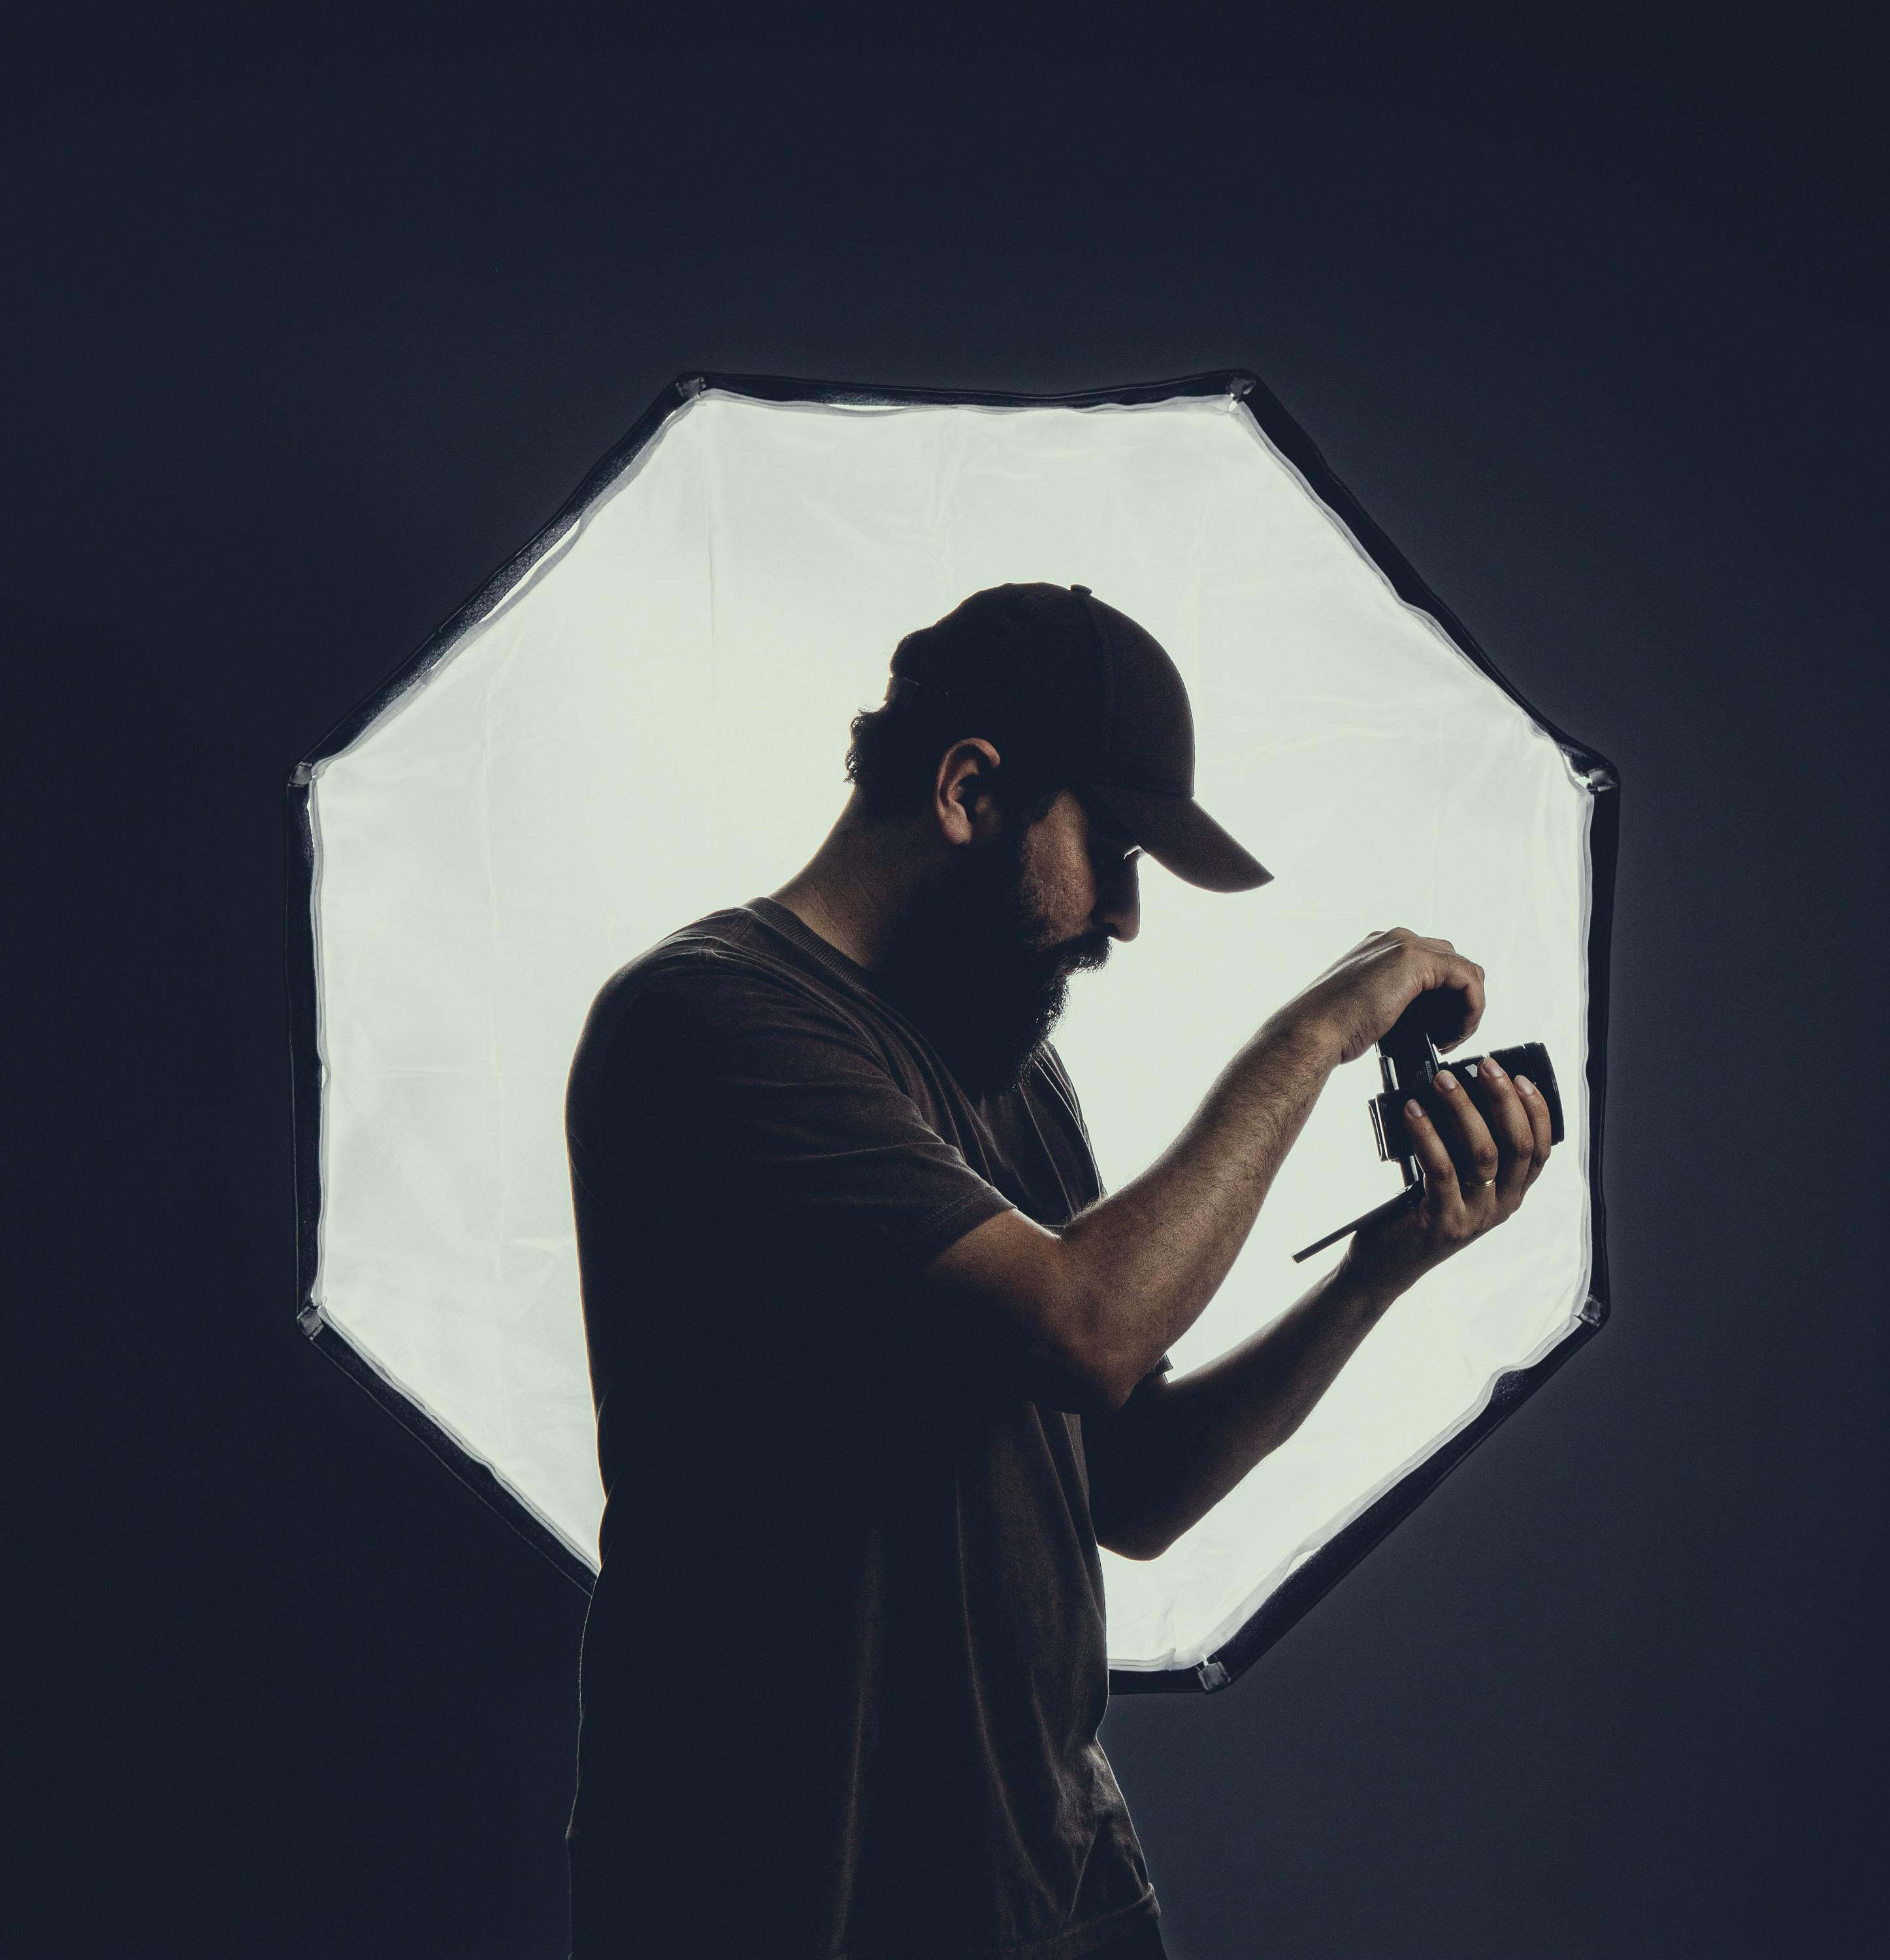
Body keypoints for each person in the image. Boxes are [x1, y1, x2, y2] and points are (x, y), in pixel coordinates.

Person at [562, 583, 1554, 1959]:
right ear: (970, 788)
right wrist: (1316, 1029)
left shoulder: (1018, 1086)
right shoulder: (709, 1022)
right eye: (1118, 851)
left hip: (1044, 1892)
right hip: (784, 1896)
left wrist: (1379, 1273)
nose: (1128, 919)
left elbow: (1129, 1485)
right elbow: (1080, 1326)